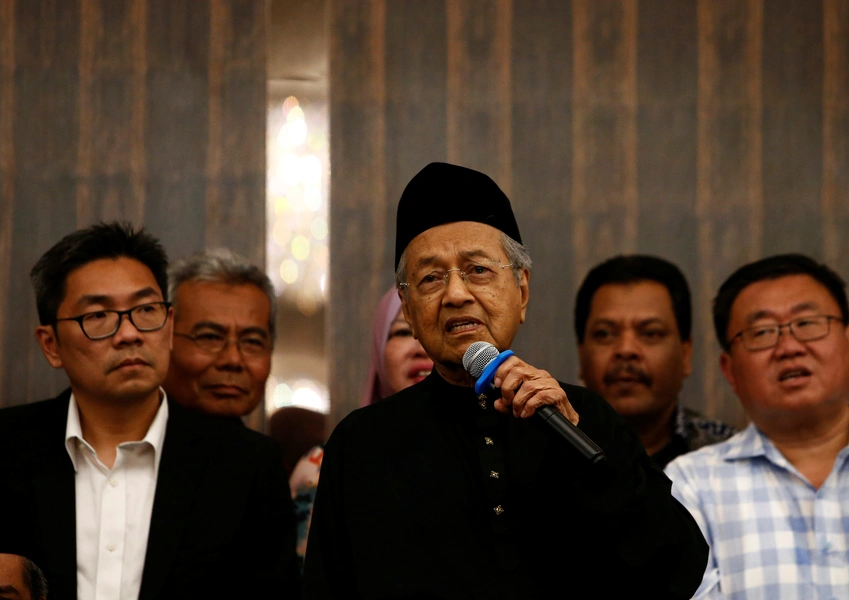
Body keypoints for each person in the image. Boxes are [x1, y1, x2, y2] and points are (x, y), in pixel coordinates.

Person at [302, 162, 708, 599]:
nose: (456, 294)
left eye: (478, 270)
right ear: (408, 307)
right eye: (431, 278)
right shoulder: (361, 443)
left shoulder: (585, 418)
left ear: (522, 291)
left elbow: (676, 571)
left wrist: (581, 455)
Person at [0, 222, 299, 599]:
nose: (130, 333)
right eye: (98, 315)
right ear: (51, 344)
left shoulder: (247, 467)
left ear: (168, 327)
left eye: (146, 309)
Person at [665, 254, 849, 599]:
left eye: (808, 323)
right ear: (729, 370)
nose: (790, 347)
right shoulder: (691, 485)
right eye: (762, 332)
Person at [290, 288, 434, 567]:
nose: (421, 347)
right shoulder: (325, 468)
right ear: (379, 349)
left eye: (436, 329)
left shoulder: (488, 455)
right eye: (403, 333)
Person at [574, 255, 736, 468]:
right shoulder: (541, 452)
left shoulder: (728, 455)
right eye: (605, 334)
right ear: (581, 353)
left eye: (650, 333)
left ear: (686, 354)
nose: (626, 349)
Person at [164, 248, 274, 419]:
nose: (233, 360)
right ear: (162, 341)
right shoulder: (130, 444)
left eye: (252, 342)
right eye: (210, 337)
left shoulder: (264, 446)